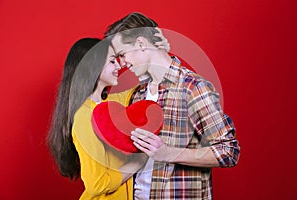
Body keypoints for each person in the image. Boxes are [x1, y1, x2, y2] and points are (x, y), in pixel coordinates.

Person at [105, 12, 241, 199]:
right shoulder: (137, 95)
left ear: (141, 44)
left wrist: (169, 153)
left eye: (122, 54)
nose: (123, 64)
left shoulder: (192, 87)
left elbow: (228, 151)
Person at [47, 34, 170, 199]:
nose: (119, 66)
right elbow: (95, 184)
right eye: (112, 61)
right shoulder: (84, 116)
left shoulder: (112, 104)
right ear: (93, 66)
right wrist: (137, 162)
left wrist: (159, 52)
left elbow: (150, 82)